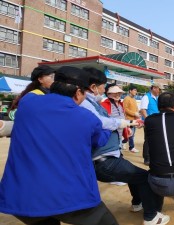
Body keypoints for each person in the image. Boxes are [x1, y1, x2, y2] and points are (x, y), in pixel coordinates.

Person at [0, 66, 119, 225]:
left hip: (22, 196)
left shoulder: (28, 102)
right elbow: (99, 140)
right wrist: (108, 129)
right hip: (69, 198)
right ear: (78, 92)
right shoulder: (87, 118)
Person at [80, 68, 169, 224]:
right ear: (94, 87)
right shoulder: (91, 103)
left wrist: (126, 124)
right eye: (104, 87)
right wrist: (124, 122)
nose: (118, 94)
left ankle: (137, 204)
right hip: (104, 159)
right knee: (144, 177)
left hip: (111, 153)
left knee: (132, 175)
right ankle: (151, 216)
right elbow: (102, 123)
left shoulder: (102, 102)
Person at [140, 83, 161, 165]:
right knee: (148, 140)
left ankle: (153, 156)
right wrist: (148, 120)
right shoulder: (146, 97)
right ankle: (146, 158)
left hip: (157, 122)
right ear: (154, 88)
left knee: (155, 140)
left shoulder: (157, 98)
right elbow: (143, 110)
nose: (159, 90)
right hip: (149, 122)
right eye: (158, 88)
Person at [123, 84, 141, 153]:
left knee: (130, 134)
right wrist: (134, 113)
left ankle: (123, 143)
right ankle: (131, 147)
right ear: (130, 91)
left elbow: (136, 108)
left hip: (134, 119)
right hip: (128, 119)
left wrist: (137, 113)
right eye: (134, 90)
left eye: (136, 90)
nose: (136, 92)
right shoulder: (126, 99)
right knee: (131, 134)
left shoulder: (133, 99)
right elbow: (125, 109)